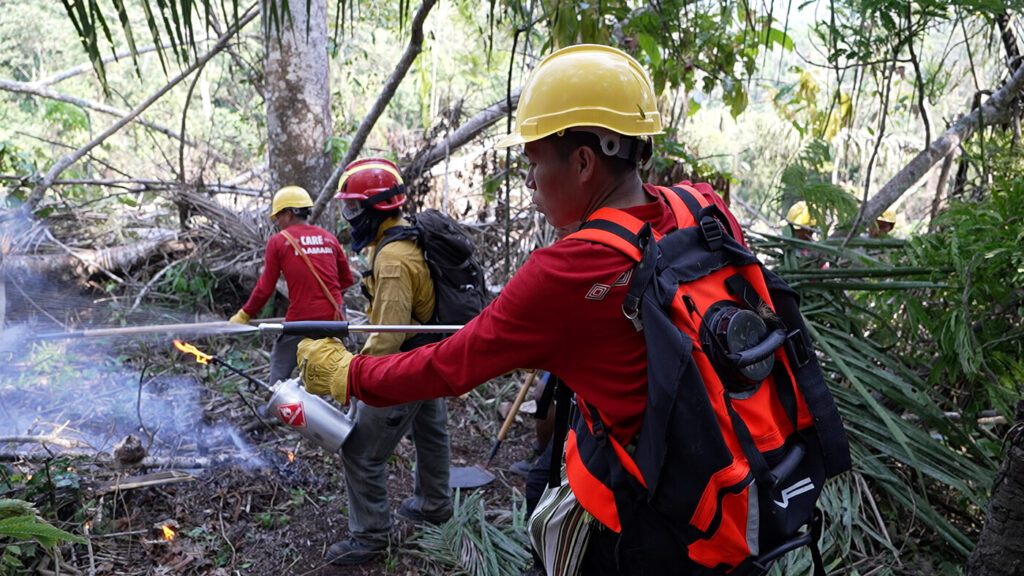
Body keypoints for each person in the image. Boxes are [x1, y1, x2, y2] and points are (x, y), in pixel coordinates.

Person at [294, 44, 714, 574]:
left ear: (584, 162)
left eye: (534, 162)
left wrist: (349, 375)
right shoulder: (700, 207)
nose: (529, 182)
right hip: (730, 468)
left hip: (650, 513)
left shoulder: (566, 271)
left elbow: (449, 367)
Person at [323, 158, 453, 566]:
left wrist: (356, 381)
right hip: (427, 358)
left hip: (406, 364)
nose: (349, 218)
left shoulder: (394, 259)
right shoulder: (402, 240)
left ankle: (370, 537)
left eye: (353, 209)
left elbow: (387, 339)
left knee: (360, 453)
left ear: (376, 208)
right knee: (431, 433)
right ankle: (434, 504)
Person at [229, 185, 354, 386]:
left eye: (278, 216)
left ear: (289, 213)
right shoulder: (329, 238)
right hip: (335, 317)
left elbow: (265, 288)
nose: (277, 222)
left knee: (280, 370)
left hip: (301, 320)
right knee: (343, 372)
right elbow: (347, 280)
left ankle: (279, 409)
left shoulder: (279, 242)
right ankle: (349, 413)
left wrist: (244, 315)